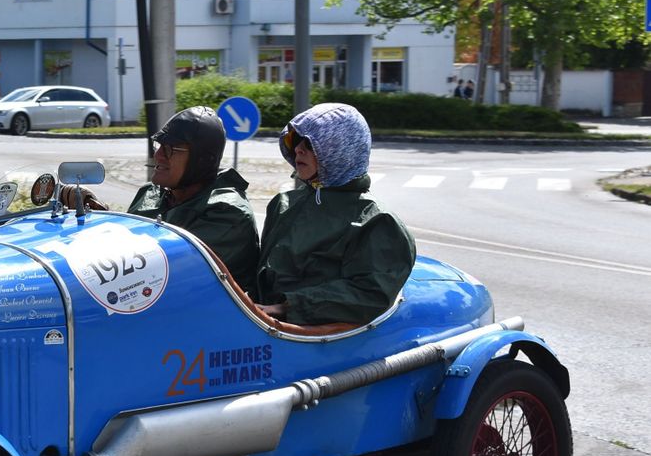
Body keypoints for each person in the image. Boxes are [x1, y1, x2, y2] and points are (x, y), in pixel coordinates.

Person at [253, 102, 416, 327]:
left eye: (309, 143)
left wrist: (286, 308)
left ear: (341, 150)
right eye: (295, 140)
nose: (298, 149)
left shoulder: (378, 222)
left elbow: (370, 294)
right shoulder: (284, 204)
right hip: (260, 324)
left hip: (311, 339)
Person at [66, 106, 259, 289]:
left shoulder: (227, 212)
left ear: (201, 160)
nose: (157, 155)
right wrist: (98, 216)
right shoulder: (150, 194)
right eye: (159, 146)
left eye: (170, 149)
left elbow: (165, 268)